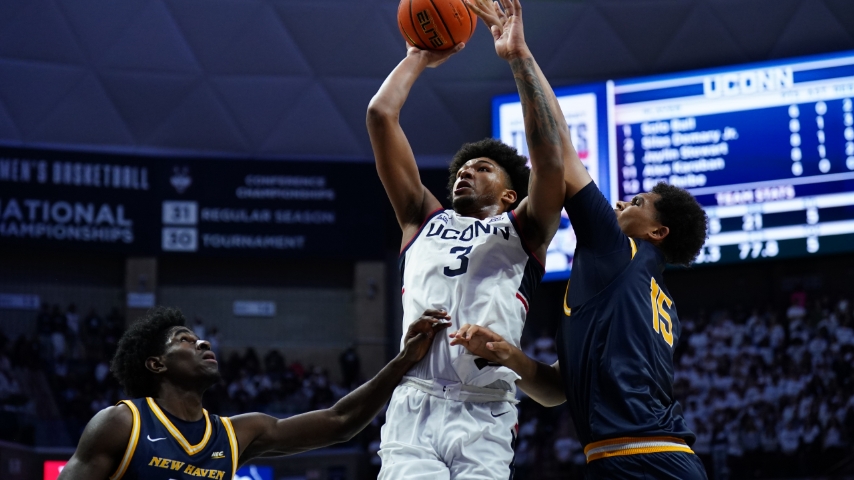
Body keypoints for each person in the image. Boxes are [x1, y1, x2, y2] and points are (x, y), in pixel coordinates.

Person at [450, 44, 710, 480]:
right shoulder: (648, 292)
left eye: (639, 202)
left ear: (657, 232)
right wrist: (509, 356)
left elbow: (557, 150)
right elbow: (557, 390)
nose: (623, 201)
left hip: (638, 458)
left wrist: (519, 56)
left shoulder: (621, 252)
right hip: (649, 457)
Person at [365, 0, 566, 476]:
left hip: (486, 410)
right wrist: (419, 54)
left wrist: (518, 58)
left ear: (511, 192)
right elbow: (380, 116)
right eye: (459, 170)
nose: (464, 174)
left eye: (481, 168)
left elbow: (552, 158)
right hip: (414, 404)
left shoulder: (525, 229)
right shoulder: (421, 219)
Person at [56, 307, 449, 480]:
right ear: (157, 364)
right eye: (185, 340)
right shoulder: (120, 423)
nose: (204, 343)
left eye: (202, 338)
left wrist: (402, 361)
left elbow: (339, 422)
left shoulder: (235, 435)